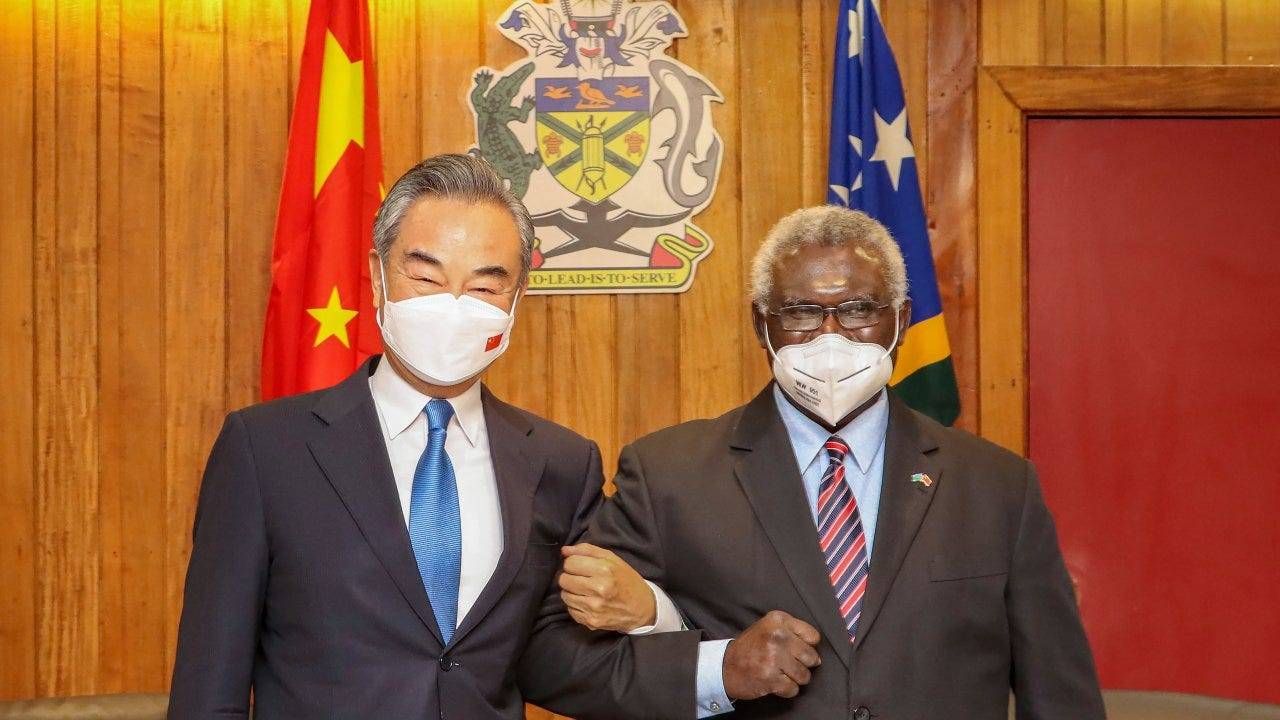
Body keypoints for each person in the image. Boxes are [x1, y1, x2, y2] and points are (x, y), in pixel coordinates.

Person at [168, 154, 701, 719]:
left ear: (517, 299)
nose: (453, 306)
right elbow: (210, 686)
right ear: (378, 278)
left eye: (485, 286)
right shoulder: (265, 450)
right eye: (425, 278)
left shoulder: (560, 462)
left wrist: (655, 614)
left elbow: (560, 659)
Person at [554, 205, 1106, 719]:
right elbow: (560, 659)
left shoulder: (998, 486)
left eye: (859, 310)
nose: (831, 336)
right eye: (800, 313)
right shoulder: (668, 475)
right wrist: (717, 670)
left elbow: (1060, 696)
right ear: (761, 325)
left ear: (901, 320)